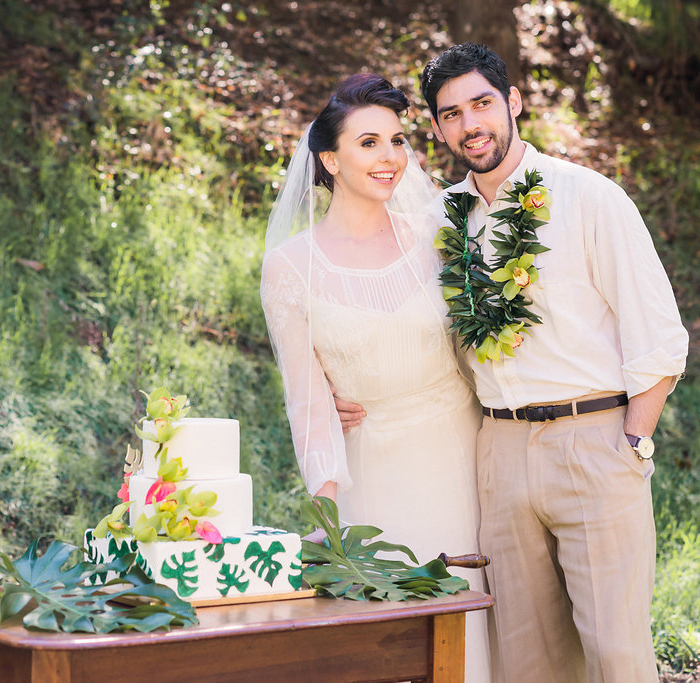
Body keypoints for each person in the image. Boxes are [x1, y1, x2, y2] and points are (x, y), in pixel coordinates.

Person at [337, 43, 688, 682]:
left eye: (483, 104)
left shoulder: (590, 199)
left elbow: (658, 336)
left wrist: (633, 442)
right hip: (496, 450)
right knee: (524, 658)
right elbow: (395, 321)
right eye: (452, 114)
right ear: (438, 129)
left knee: (616, 650)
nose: (472, 125)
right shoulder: (440, 220)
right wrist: (347, 385)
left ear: (514, 102)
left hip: (594, 440)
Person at [260, 73, 492, 682]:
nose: (389, 157)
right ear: (329, 158)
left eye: (396, 140)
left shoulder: (441, 239)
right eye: (368, 143)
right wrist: (333, 525)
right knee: (390, 646)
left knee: (473, 635)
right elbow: (307, 404)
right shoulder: (290, 269)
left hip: (465, 462)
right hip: (372, 473)